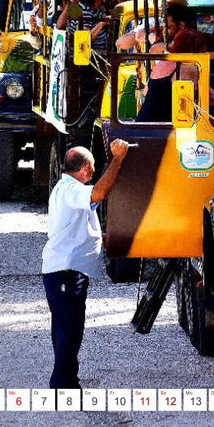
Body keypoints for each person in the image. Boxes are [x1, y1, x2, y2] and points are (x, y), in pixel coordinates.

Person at [42, 140, 131, 389]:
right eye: (92, 169)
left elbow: (78, 228)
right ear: (85, 169)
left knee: (66, 328)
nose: (93, 173)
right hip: (64, 271)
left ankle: (66, 380)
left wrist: (104, 239)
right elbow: (100, 193)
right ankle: (63, 385)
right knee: (69, 330)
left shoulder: (69, 190)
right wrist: (118, 159)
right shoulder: (69, 189)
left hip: (68, 271)